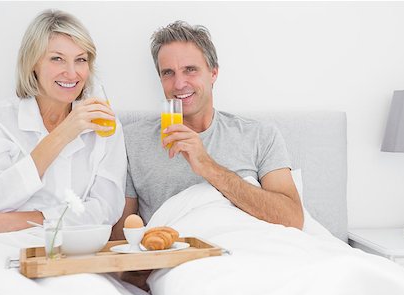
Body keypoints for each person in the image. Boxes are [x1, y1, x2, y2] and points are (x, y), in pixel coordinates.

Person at [116, 20, 303, 238]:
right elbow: (121, 239)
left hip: (255, 249)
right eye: (168, 73)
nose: (178, 84)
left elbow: (292, 219)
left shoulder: (260, 136)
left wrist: (208, 167)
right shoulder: (132, 141)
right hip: (184, 260)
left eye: (190, 70)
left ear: (213, 73)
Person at [0, 10, 127, 234]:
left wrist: (28, 220)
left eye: (80, 60)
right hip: (3, 247)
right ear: (33, 64)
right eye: (57, 58)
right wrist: (62, 134)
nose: (71, 73)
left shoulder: (104, 125)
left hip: (73, 249)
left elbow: (106, 208)